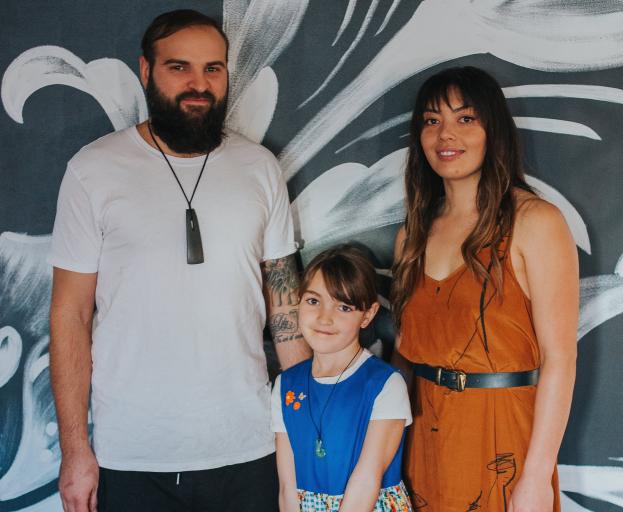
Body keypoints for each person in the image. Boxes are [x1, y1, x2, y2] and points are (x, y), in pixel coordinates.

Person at [48, 9, 310, 512]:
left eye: (213, 68)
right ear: (146, 71)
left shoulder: (260, 168)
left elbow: (286, 312)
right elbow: (70, 316)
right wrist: (75, 449)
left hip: (249, 443)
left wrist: (307, 425)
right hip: (131, 452)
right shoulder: (93, 170)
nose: (199, 83)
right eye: (180, 67)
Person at [390, 66, 578, 511]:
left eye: (465, 118)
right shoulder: (411, 235)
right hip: (420, 436)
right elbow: (402, 353)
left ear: (494, 129)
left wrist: (535, 478)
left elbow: (561, 360)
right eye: (431, 120)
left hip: (502, 438)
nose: (445, 135)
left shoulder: (536, 222)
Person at [272, 245, 413, 511]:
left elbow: (366, 481)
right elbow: (287, 487)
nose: (325, 318)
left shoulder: (384, 384)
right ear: (298, 301)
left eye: (344, 307)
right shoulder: (286, 386)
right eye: (314, 301)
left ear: (368, 315)